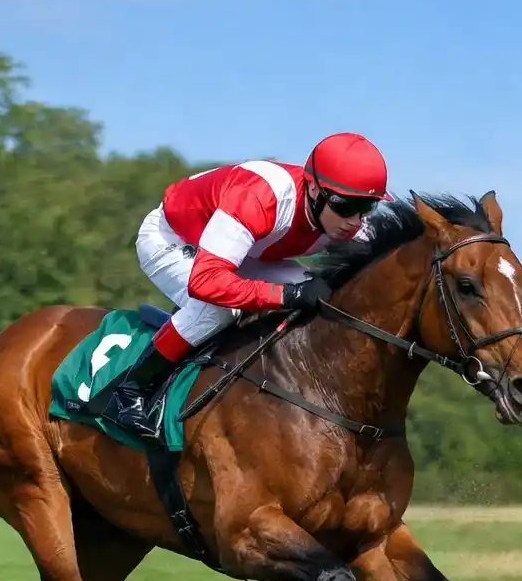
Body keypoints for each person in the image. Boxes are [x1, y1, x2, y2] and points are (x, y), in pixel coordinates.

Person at [86, 132, 391, 441]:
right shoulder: (261, 197)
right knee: (222, 309)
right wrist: (287, 294)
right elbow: (206, 281)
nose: (354, 221)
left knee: (324, 298)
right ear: (313, 188)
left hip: (249, 251)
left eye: (367, 207)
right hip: (175, 239)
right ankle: (130, 391)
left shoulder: (343, 218)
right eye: (345, 206)